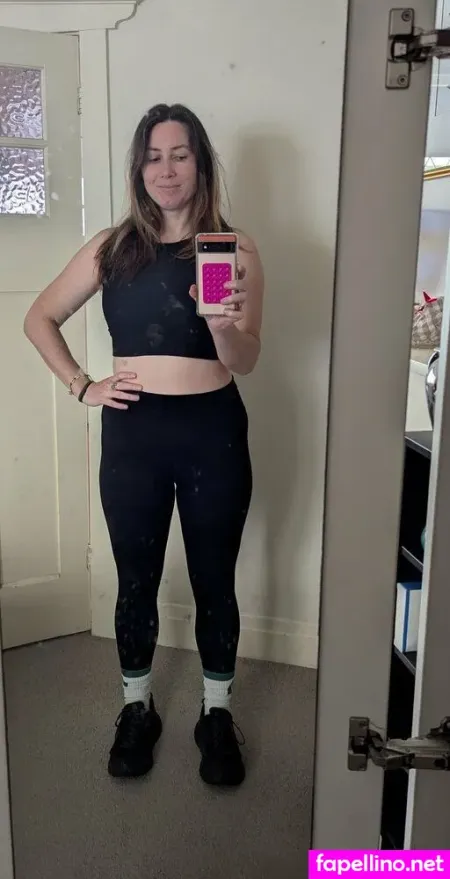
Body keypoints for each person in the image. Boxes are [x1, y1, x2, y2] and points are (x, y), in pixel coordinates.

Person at [24, 103, 264, 787]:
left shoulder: (233, 248)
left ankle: (216, 712)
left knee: (216, 579)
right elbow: (38, 316)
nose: (167, 169)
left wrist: (220, 326)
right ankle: (138, 707)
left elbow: (246, 360)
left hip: (213, 433)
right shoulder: (112, 248)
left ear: (201, 163)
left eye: (180, 154)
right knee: (136, 580)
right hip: (134, 437)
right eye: (154, 156)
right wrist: (83, 385)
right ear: (139, 168)